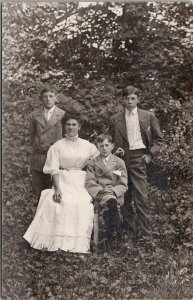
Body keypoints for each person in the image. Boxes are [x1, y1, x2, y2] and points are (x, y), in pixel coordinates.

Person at [24, 113, 99, 253]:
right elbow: (53, 169)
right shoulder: (57, 146)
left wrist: (116, 156)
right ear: (64, 126)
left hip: (81, 181)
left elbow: (101, 161)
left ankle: (78, 243)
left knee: (81, 203)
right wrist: (57, 189)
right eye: (68, 124)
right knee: (60, 203)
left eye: (74, 124)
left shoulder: (87, 145)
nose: (71, 127)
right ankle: (57, 242)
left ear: (79, 127)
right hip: (63, 180)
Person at [110, 86, 163, 248]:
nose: (130, 101)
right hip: (121, 160)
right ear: (123, 100)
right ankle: (129, 236)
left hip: (140, 159)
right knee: (124, 198)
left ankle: (147, 238)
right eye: (127, 98)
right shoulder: (115, 119)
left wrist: (149, 155)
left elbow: (159, 140)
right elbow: (109, 140)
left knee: (141, 198)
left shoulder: (148, 116)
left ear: (138, 99)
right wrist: (114, 150)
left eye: (133, 98)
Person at [85, 134, 128, 245]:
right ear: (97, 147)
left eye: (106, 145)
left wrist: (113, 191)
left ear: (112, 146)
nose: (104, 148)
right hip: (100, 193)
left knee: (111, 202)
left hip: (115, 193)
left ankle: (112, 236)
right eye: (101, 146)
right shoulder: (92, 163)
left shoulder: (119, 162)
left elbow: (123, 183)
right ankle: (118, 236)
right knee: (110, 202)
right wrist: (100, 190)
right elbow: (90, 181)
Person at [29, 87, 65, 200]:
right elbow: (32, 137)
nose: (48, 99)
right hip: (39, 157)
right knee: (38, 192)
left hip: (56, 157)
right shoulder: (34, 115)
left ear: (56, 98)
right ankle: (37, 215)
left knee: (54, 190)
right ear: (41, 99)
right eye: (45, 97)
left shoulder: (62, 114)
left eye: (51, 96)